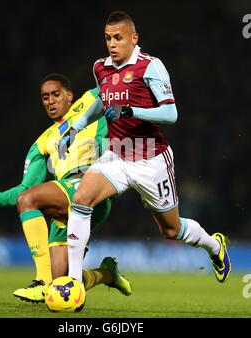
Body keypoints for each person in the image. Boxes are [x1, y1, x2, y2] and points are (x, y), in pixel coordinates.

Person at [64, 11, 231, 286]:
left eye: (118, 38)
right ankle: (73, 283)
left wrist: (130, 110)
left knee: (171, 230)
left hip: (151, 159)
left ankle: (214, 247)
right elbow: (101, 102)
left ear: (134, 38)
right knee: (82, 199)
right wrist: (77, 126)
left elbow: (171, 113)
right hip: (117, 154)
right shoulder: (100, 68)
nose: (112, 44)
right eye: (107, 38)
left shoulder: (150, 66)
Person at [0, 73, 131, 303]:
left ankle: (40, 280)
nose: (50, 101)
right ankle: (107, 274)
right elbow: (25, 189)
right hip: (65, 198)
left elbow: (115, 82)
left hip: (89, 186)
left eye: (56, 95)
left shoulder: (89, 105)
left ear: (70, 95)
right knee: (62, 285)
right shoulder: (42, 142)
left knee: (30, 202)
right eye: (45, 97)